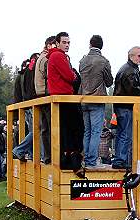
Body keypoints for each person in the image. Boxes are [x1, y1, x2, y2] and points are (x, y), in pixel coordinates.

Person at [47, 32, 84, 169]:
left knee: (66, 130)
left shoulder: (56, 55)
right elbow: (70, 76)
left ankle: (67, 158)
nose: (67, 45)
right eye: (64, 42)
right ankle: (72, 160)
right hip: (64, 97)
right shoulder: (58, 55)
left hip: (62, 97)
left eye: (68, 42)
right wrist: (74, 75)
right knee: (76, 128)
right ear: (57, 43)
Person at [79, 34, 113, 168]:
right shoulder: (103, 61)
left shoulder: (83, 60)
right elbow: (109, 82)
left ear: (90, 44)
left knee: (87, 131)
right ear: (101, 46)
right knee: (95, 132)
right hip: (97, 100)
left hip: (83, 99)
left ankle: (86, 159)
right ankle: (91, 161)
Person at [112, 46, 140, 169]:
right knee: (125, 134)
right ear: (131, 56)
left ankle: (120, 159)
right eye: (139, 56)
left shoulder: (128, 68)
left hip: (123, 105)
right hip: (125, 106)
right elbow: (133, 89)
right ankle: (119, 160)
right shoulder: (130, 70)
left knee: (123, 133)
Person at [34, 35, 56, 163]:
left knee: (45, 128)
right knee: (51, 127)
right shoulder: (46, 59)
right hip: (47, 95)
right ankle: (51, 157)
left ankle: (47, 157)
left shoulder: (40, 57)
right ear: (49, 46)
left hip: (40, 94)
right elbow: (51, 76)